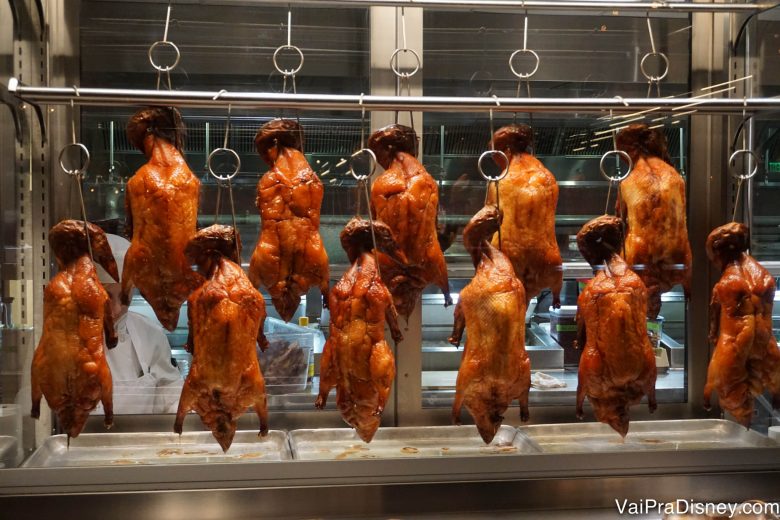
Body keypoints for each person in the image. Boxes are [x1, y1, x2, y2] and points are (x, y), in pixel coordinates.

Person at [96, 234, 183, 414]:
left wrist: (179, 413)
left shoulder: (148, 333)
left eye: (125, 298)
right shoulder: (66, 338)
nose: (116, 309)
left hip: (139, 439)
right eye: (105, 297)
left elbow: (170, 390)